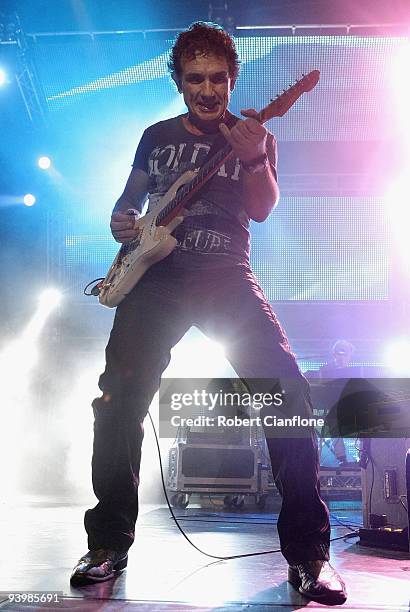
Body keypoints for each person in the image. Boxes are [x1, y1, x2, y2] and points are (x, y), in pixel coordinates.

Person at [70, 22, 346, 606]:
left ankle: (309, 556)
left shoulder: (253, 133)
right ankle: (108, 544)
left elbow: (263, 208)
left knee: (288, 396)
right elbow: (130, 199)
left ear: (232, 79)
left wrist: (253, 160)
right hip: (158, 281)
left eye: (218, 78)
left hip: (227, 277)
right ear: (178, 81)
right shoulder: (156, 136)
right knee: (117, 399)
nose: (207, 88)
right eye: (195, 78)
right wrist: (122, 219)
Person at [319, 340, 357, 467]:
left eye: (345, 354)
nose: (342, 356)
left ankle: (364, 455)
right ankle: (342, 458)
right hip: (334, 408)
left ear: (350, 355)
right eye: (339, 353)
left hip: (352, 408)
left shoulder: (355, 371)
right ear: (334, 354)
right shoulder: (325, 370)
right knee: (333, 420)